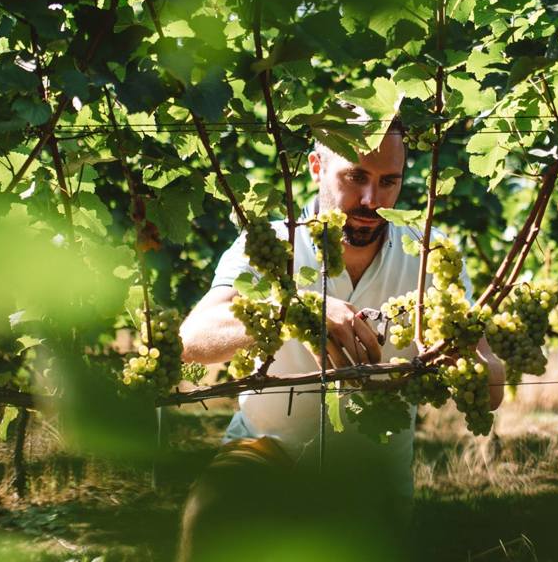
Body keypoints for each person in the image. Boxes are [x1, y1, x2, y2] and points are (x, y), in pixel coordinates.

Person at [179, 119, 505, 504]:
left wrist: (460, 357)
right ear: (317, 167)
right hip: (263, 458)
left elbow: (492, 389)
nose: (371, 199)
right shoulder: (271, 243)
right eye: (356, 176)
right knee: (214, 506)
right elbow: (192, 339)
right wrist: (299, 312)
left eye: (389, 182)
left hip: (373, 490)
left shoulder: (432, 255)